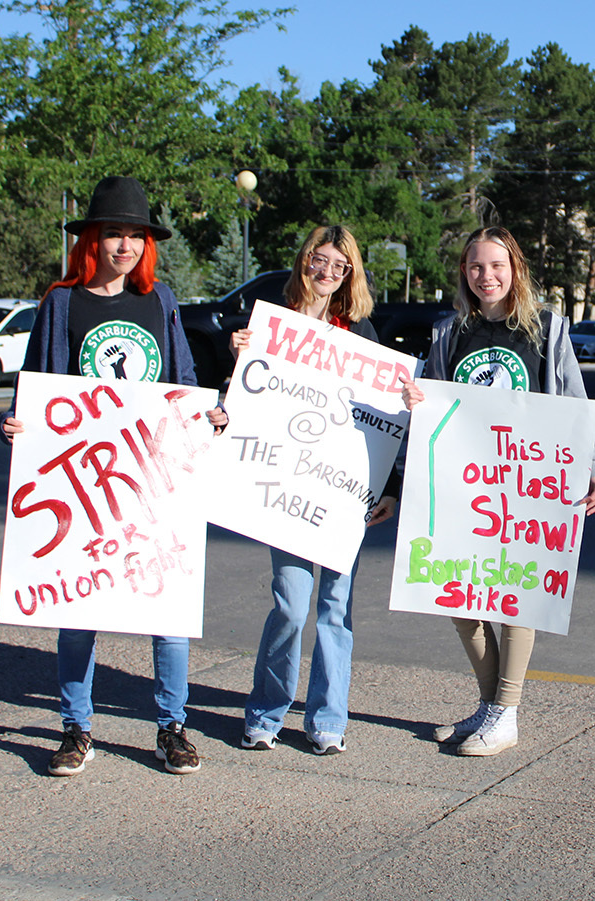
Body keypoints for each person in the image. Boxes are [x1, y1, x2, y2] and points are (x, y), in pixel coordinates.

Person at [0, 175, 228, 777]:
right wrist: (17, 427)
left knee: (166, 610)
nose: (123, 246)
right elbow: (35, 390)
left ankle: (171, 726)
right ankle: (76, 727)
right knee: (78, 612)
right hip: (84, 482)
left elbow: (180, 381)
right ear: (92, 241)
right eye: (112, 234)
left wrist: (210, 418)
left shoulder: (161, 303)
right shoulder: (61, 304)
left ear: (145, 246)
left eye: (133, 236)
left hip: (150, 477)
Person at [402, 225, 595, 757]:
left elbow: (574, 405)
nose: (485, 276)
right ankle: (489, 704)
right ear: (464, 273)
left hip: (527, 485)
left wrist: (594, 469)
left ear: (514, 268)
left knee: (516, 597)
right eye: (475, 266)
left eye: (496, 265)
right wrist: (414, 401)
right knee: (459, 592)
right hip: (465, 485)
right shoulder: (450, 333)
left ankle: (506, 713)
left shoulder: (548, 331)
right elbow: (433, 407)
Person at [227, 225, 398, 756]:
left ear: (351, 275)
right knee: (292, 606)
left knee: (336, 607)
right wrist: (239, 360)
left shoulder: (360, 336)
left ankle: (327, 718)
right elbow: (238, 403)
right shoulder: (270, 326)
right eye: (318, 261)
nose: (327, 272)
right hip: (286, 486)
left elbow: (383, 418)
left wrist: (388, 486)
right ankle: (266, 710)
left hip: (344, 492)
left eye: (339, 266)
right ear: (303, 261)